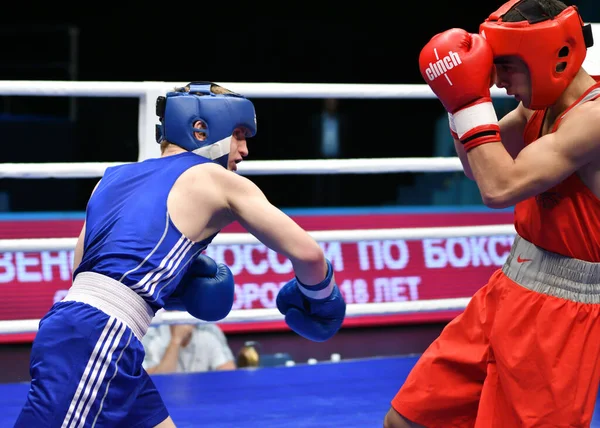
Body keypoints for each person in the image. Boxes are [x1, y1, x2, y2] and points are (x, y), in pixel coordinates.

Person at [15, 81, 346, 428]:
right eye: (238, 134)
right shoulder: (216, 179)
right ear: (201, 129)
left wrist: (168, 288)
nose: (245, 149)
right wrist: (319, 298)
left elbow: (81, 272)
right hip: (99, 340)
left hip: (79, 330)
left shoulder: (110, 179)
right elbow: (308, 254)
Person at [385, 0, 600, 427]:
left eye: (507, 67)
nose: (499, 83)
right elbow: (478, 164)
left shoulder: (593, 117)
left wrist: (469, 103)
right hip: (507, 287)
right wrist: (461, 102)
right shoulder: (541, 104)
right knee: (407, 420)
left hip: (563, 314)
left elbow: (499, 187)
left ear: (548, 58)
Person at [142, 321, 236, 374]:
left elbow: (229, 375)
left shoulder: (210, 331)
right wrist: (176, 340)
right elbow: (156, 384)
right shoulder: (151, 337)